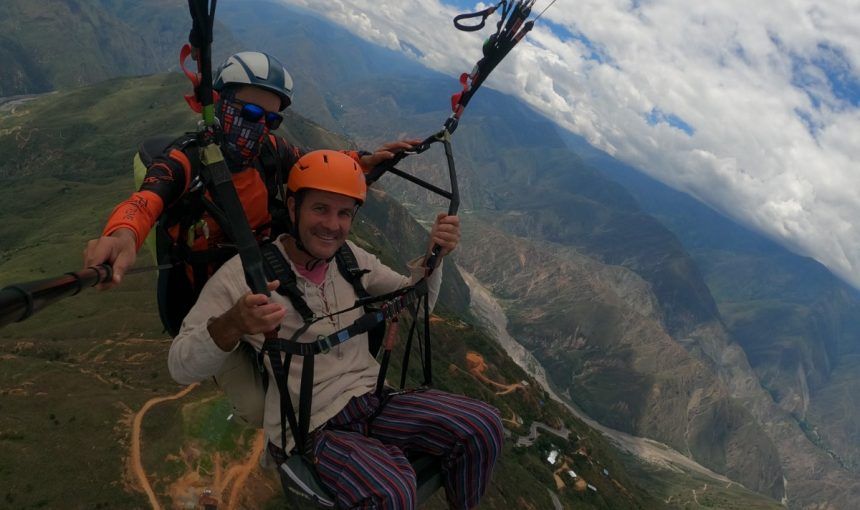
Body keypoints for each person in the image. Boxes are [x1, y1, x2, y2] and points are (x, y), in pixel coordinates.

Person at [168, 150, 504, 510]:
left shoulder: (350, 258)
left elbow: (416, 300)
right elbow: (180, 365)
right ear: (294, 209)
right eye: (320, 209)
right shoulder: (244, 276)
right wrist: (233, 323)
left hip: (373, 398)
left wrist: (434, 256)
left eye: (344, 213)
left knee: (482, 426)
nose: (332, 225)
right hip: (312, 425)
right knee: (391, 490)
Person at [82, 51, 415, 333]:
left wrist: (363, 162)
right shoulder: (188, 159)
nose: (258, 126)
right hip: (206, 297)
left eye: (270, 119)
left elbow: (312, 165)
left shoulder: (269, 150)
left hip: (261, 280)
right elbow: (148, 198)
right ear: (219, 104)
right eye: (250, 113)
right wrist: (123, 235)